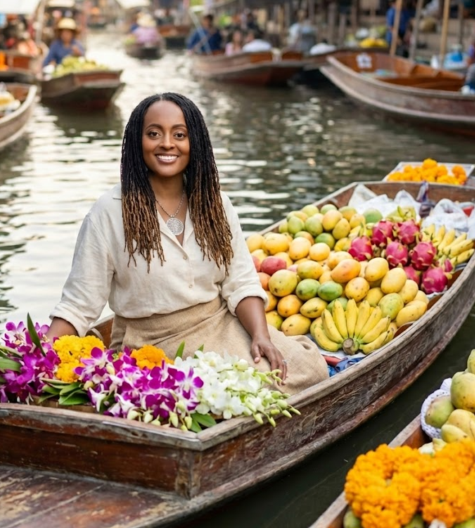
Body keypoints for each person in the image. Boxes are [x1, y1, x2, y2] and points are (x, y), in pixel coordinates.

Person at [47, 93, 328, 395]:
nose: (167, 143)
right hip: (149, 343)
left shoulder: (215, 202)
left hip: (218, 323)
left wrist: (261, 335)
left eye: (179, 135)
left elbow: (241, 282)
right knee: (212, 397)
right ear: (136, 142)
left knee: (309, 369)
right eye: (154, 134)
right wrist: (40, 357)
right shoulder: (108, 212)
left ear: (195, 143)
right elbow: (79, 304)